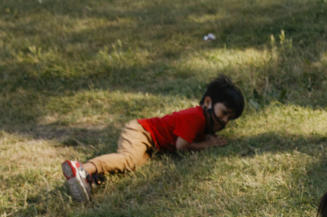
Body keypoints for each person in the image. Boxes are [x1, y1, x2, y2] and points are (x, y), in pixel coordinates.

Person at [61, 75, 244, 202]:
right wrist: (207, 144)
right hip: (142, 132)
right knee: (128, 159)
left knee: (130, 167)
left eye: (230, 118)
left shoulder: (203, 120)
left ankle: (89, 180)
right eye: (224, 113)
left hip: (151, 144)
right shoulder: (196, 117)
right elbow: (182, 146)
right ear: (208, 103)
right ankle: (82, 169)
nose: (225, 120)